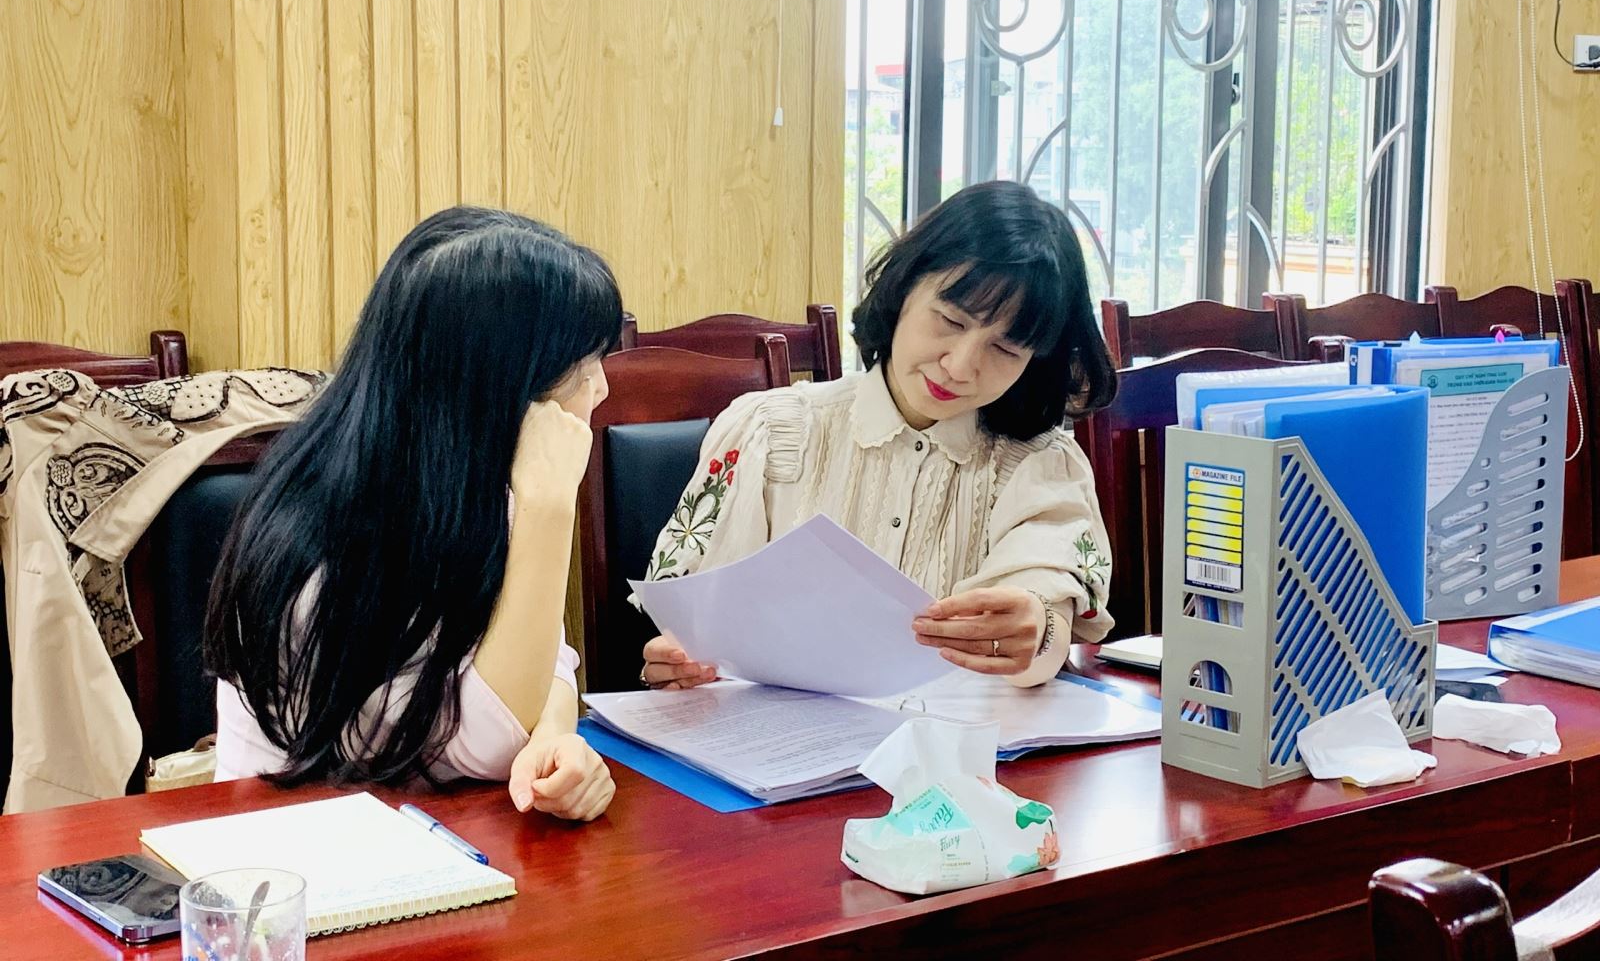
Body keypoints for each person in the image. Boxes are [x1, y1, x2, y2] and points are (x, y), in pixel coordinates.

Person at [206, 207, 618, 821]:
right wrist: (551, 510)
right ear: (497, 382)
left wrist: (555, 737)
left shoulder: (476, 482)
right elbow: (487, 742)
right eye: (581, 365)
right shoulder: (322, 531)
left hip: (440, 833)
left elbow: (546, 658)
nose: (601, 388)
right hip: (292, 845)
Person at [639, 180, 1118, 691]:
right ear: (904, 287)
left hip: (957, 738)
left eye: (1005, 350)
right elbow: (692, 618)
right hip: (771, 735)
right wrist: (680, 666)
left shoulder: (1038, 464)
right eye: (950, 320)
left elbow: (1047, 607)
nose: (960, 366)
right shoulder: (773, 431)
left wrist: (1038, 629)